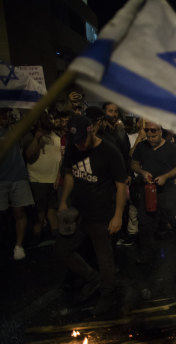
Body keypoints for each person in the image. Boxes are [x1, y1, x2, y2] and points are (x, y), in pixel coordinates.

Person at [54, 114, 127, 315]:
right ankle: (93, 280)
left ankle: (108, 295)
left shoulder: (109, 151)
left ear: (91, 131)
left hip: (102, 214)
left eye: (81, 142)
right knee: (63, 248)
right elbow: (69, 175)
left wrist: (118, 216)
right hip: (78, 212)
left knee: (105, 259)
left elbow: (121, 186)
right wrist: (63, 202)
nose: (79, 147)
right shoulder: (73, 148)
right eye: (75, 143)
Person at [130, 119, 176, 262]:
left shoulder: (172, 148)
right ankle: (147, 255)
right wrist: (142, 172)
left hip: (167, 192)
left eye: (154, 131)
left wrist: (166, 176)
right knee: (145, 224)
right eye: (147, 131)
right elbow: (134, 164)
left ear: (161, 131)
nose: (150, 134)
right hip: (148, 191)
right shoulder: (141, 146)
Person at [0, 107, 35, 260]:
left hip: (18, 176)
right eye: (2, 114)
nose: (6, 116)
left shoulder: (14, 129)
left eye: (7, 113)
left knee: (19, 213)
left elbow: (29, 121)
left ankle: (18, 246)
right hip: (1, 178)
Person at [22, 112, 62, 240]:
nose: (50, 120)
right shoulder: (31, 136)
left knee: (51, 208)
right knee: (39, 212)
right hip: (37, 180)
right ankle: (36, 237)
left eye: (51, 118)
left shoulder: (57, 137)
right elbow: (29, 155)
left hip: (53, 180)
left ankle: (55, 235)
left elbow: (61, 159)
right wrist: (37, 138)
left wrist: (58, 176)